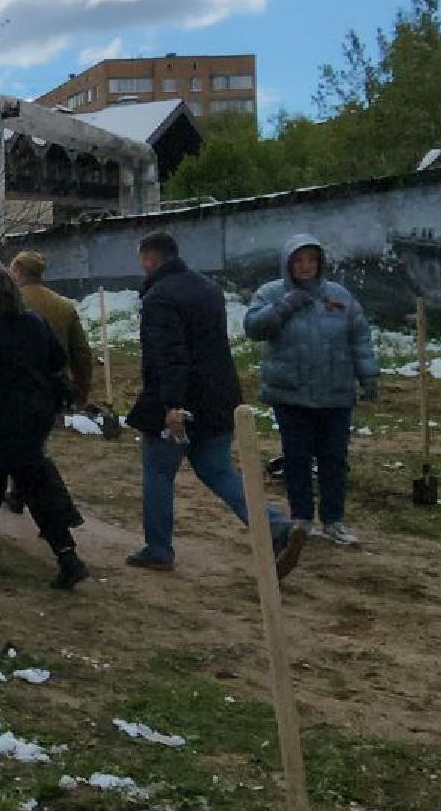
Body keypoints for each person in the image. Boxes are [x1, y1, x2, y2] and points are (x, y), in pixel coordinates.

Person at [128, 231, 308, 578]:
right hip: (219, 398)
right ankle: (275, 527)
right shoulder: (208, 288)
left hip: (179, 402)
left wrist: (172, 404)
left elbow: (170, 354)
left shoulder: (159, 297)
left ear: (150, 258)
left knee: (158, 473)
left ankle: (158, 549)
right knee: (218, 470)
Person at [0, 263, 90, 590]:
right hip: (39, 411)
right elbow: (57, 360)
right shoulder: (35, 321)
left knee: (31, 484)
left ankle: (68, 557)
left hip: (5, 414)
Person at [244, 233, 379, 546]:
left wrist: (368, 376)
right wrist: (283, 307)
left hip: (335, 393)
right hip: (291, 394)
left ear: (320, 263)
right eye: (299, 261)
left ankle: (334, 520)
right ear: (288, 264)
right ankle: (301, 520)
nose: (305, 267)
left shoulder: (339, 296)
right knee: (297, 458)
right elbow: (253, 328)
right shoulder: (271, 293)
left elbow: (359, 337)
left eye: (311, 260)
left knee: (334, 458)